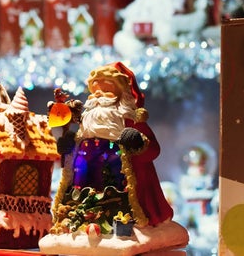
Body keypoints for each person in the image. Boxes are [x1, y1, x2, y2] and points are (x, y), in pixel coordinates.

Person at [54, 62, 174, 228]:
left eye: (106, 90)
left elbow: (152, 150)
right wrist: (68, 149)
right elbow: (74, 163)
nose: (98, 96)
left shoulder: (129, 120)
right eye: (94, 91)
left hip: (125, 189)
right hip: (87, 188)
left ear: (122, 94)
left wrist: (138, 142)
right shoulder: (86, 127)